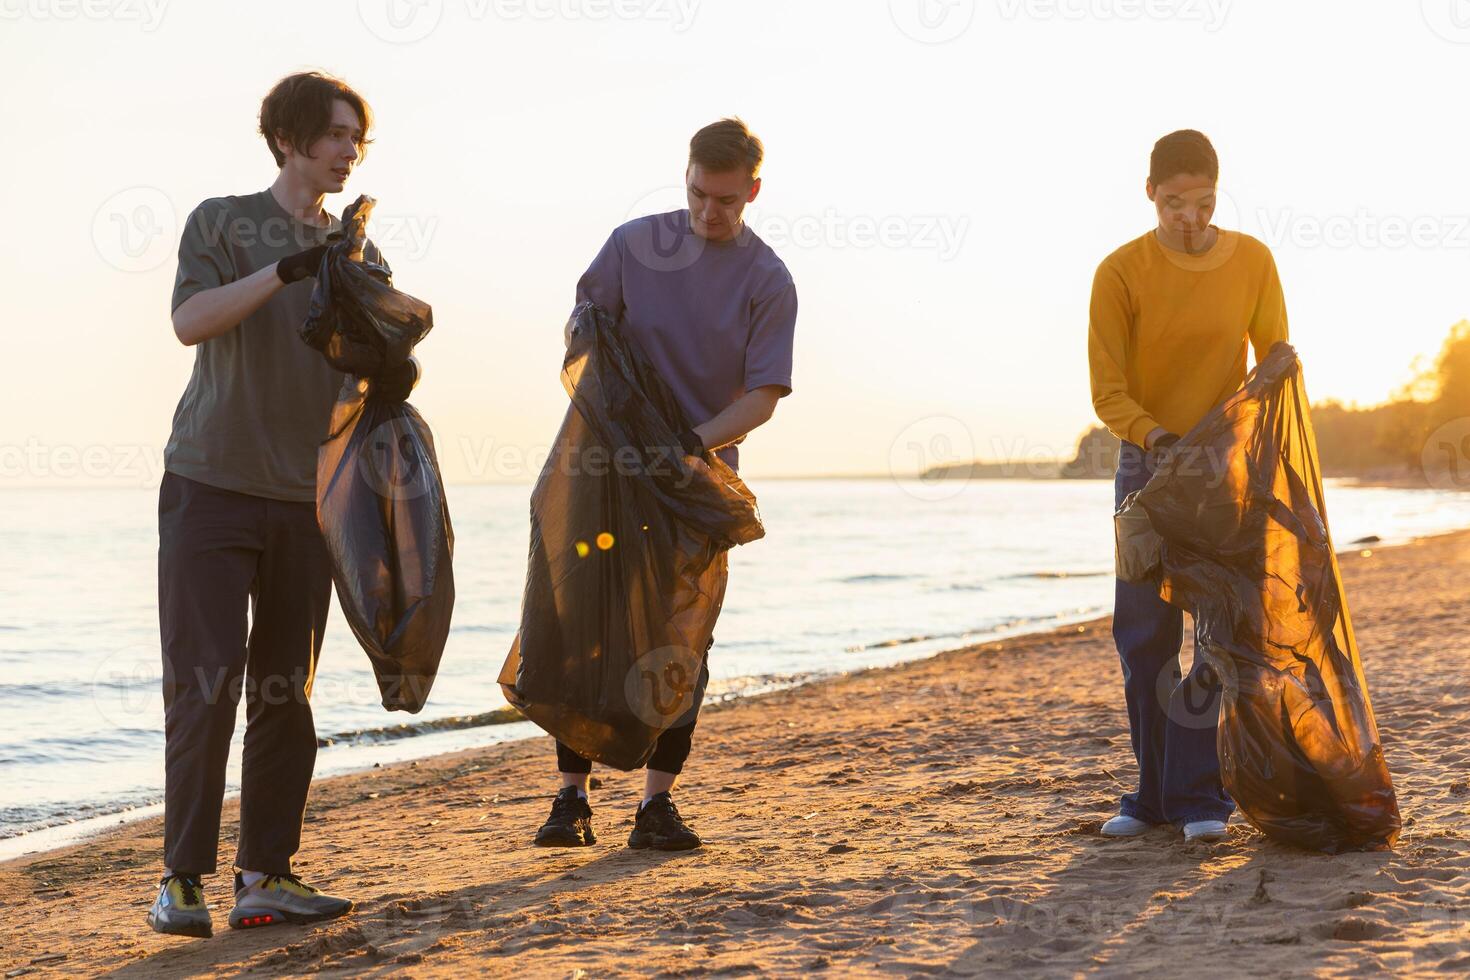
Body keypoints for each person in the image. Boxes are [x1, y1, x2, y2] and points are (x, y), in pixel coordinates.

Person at [148, 71, 414, 938]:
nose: (349, 153)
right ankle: (180, 882)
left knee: (283, 692)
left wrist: (394, 359)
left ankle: (265, 875)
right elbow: (191, 321)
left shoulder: (359, 251)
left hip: (310, 500)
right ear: (292, 138)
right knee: (206, 684)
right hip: (209, 487)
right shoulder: (220, 221)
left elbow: (367, 363)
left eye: (358, 141)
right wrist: (285, 269)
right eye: (338, 135)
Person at [534, 118, 798, 852]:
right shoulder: (631, 245)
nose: (709, 213)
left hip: (693, 480)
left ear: (752, 191)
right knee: (585, 627)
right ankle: (569, 800)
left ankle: (655, 807)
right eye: (696, 194)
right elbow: (581, 331)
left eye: (725, 201)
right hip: (605, 472)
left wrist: (684, 445)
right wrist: (587, 342)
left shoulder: (767, 278)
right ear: (684, 175)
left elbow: (763, 397)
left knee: (684, 637)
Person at [1087, 130, 1289, 844]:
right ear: (1150, 194)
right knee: (1144, 635)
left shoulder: (1254, 262)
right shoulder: (1120, 271)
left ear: (1217, 192)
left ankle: (1201, 796)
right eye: (1174, 203)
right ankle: (1151, 794)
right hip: (1146, 471)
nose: (1190, 218)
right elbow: (1107, 393)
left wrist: (1276, 380)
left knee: (1215, 635)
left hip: (1224, 471)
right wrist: (1158, 438)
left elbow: (1271, 364)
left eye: (1203, 203)